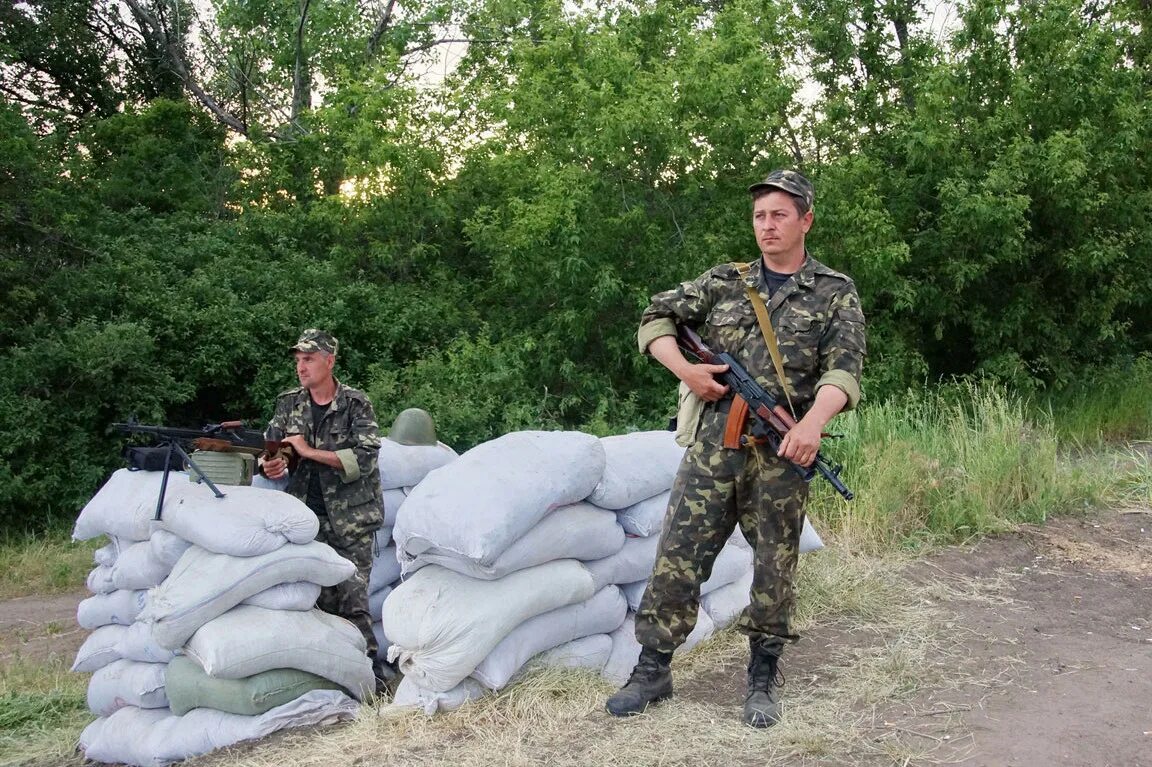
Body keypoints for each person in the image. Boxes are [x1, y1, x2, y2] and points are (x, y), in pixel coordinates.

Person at [605, 170, 866, 727]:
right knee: (678, 555)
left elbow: (843, 370)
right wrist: (689, 372)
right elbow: (655, 317)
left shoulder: (833, 291)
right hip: (712, 449)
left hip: (781, 454)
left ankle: (762, 678)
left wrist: (812, 424)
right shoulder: (724, 282)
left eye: (779, 215)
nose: (767, 226)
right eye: (759, 216)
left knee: (775, 569)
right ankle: (652, 671)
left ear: (806, 220)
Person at [257, 328, 398, 692]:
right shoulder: (289, 403)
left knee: (353, 601)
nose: (301, 367)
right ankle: (331, 683)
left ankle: (372, 683)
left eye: (309, 359)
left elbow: (363, 459)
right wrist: (270, 465)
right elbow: (273, 449)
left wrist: (307, 451)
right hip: (306, 520)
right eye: (298, 360)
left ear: (329, 361)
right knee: (315, 604)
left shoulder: (355, 404)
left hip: (351, 521)